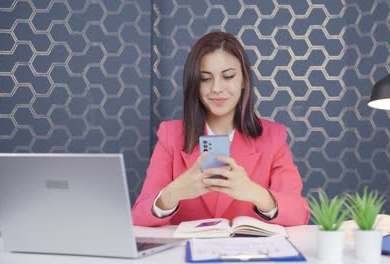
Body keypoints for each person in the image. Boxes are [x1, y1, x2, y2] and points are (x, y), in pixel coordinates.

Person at [132, 31, 309, 227]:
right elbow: (138, 217)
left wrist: (255, 193)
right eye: (206, 79)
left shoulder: (273, 137)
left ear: (243, 81)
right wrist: (173, 193)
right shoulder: (170, 135)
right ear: (195, 84)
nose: (216, 88)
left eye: (228, 76)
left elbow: (299, 214)